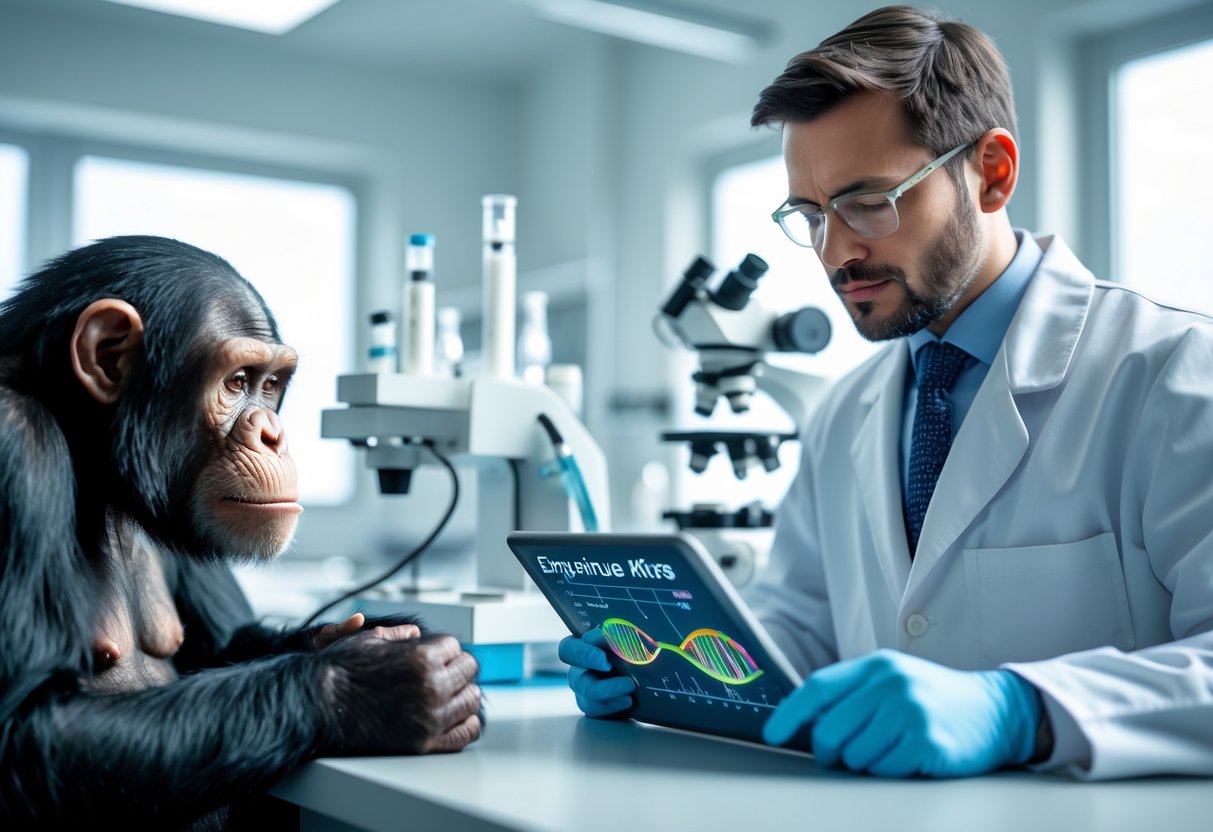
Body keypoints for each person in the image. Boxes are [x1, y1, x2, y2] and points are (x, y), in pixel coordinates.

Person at [559, 4, 1213, 780]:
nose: (836, 251)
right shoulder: (844, 410)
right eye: (809, 215)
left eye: (868, 202)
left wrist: (1022, 710)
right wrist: (672, 666)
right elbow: (802, 626)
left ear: (992, 174)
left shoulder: (1171, 372)